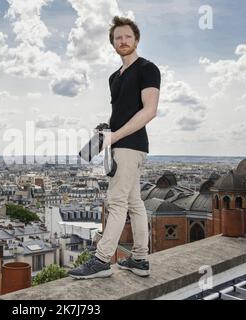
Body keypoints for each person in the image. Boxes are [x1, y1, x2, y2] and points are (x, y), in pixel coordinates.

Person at [69, 16, 161, 279]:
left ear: (137, 39)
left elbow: (150, 110)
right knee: (134, 203)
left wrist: (115, 135)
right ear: (113, 44)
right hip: (120, 143)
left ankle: (101, 261)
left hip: (130, 145)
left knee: (116, 202)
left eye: (127, 36)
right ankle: (140, 259)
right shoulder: (114, 77)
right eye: (118, 38)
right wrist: (105, 133)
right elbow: (121, 112)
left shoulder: (148, 69)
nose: (123, 41)